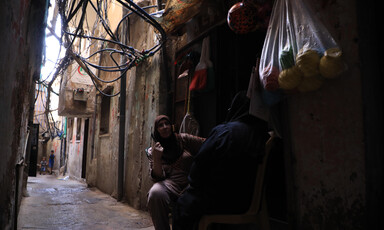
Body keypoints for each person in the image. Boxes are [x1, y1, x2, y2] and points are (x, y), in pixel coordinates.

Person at [172, 90, 270, 230]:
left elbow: (199, 168)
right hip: (249, 200)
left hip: (223, 202)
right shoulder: (261, 134)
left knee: (183, 204)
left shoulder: (225, 132)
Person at [147, 115, 206, 230]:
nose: (164, 127)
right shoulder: (153, 151)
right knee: (155, 193)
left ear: (171, 126)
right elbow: (157, 178)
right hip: (171, 184)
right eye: (160, 125)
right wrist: (157, 158)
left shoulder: (184, 139)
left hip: (191, 182)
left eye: (167, 124)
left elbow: (208, 144)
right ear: (156, 130)